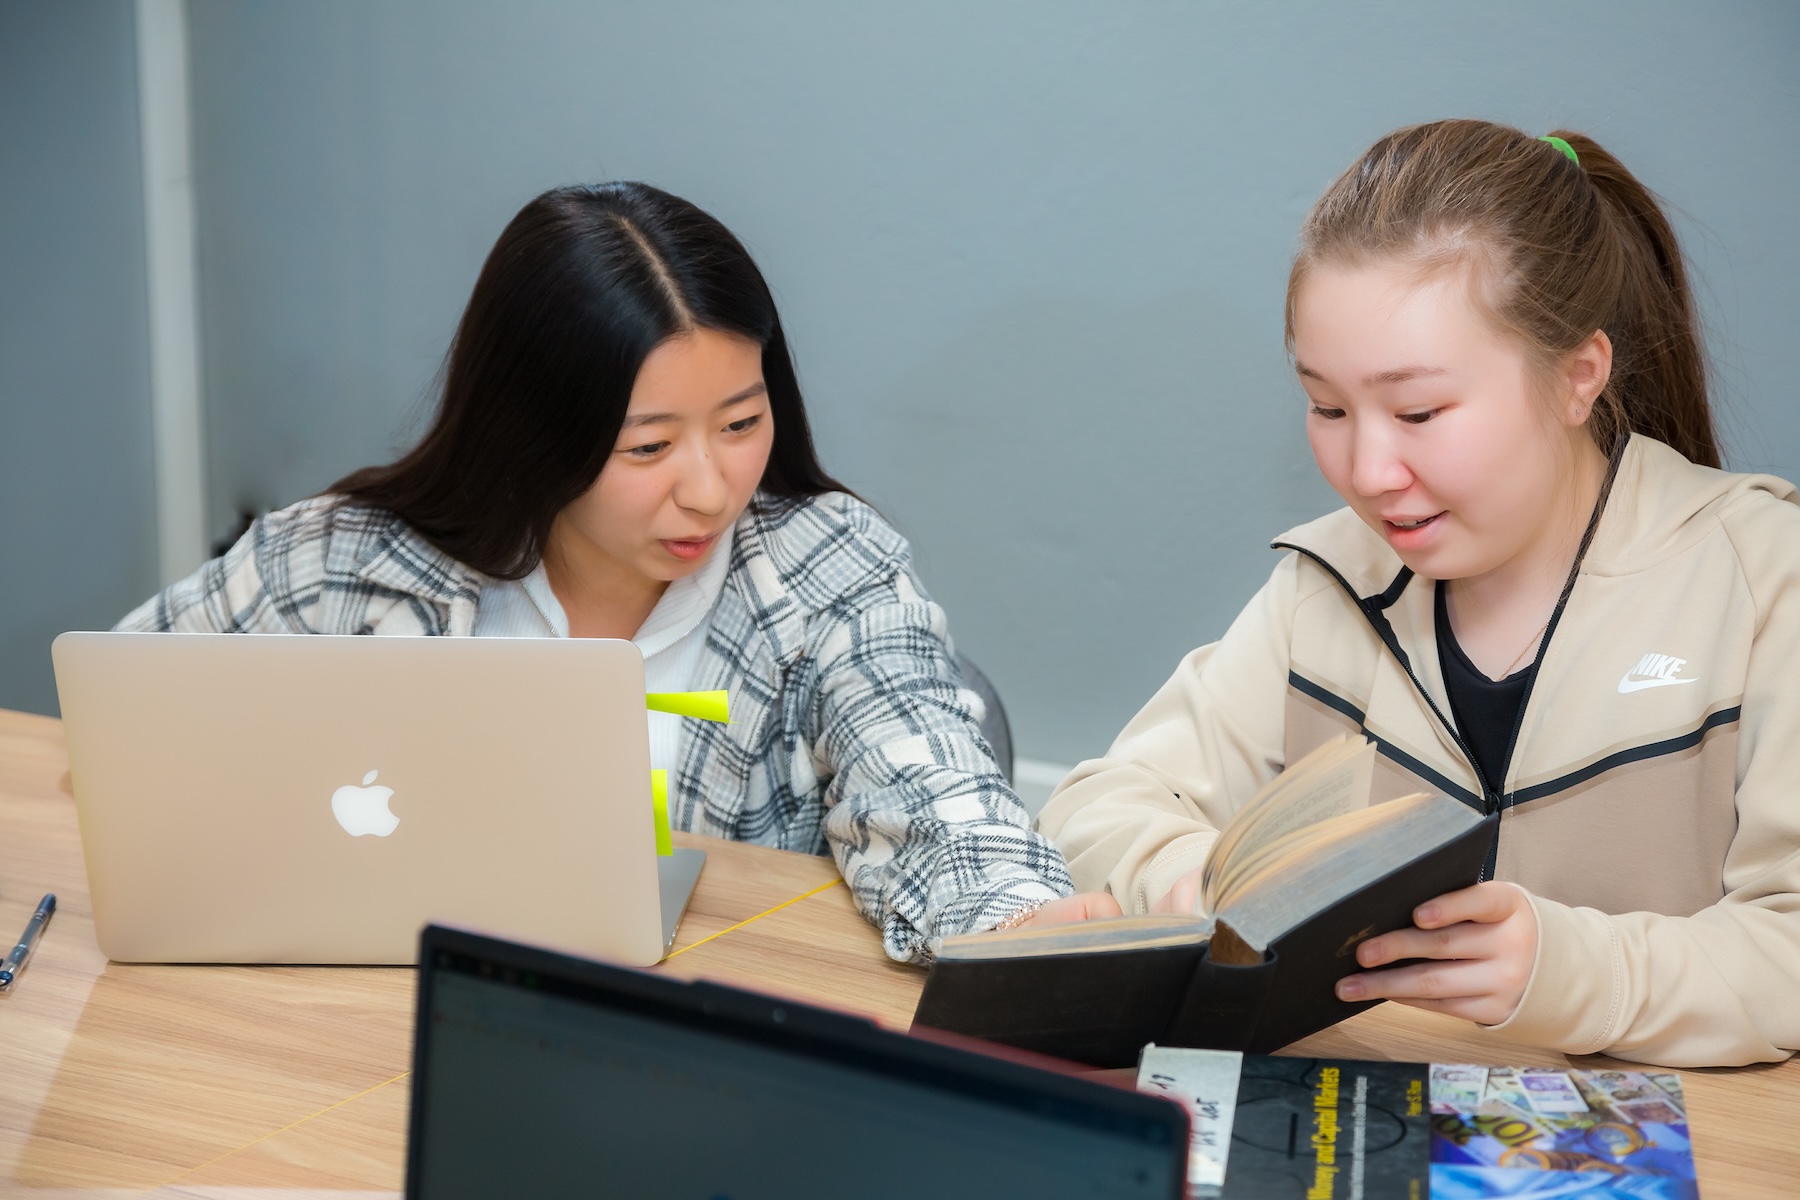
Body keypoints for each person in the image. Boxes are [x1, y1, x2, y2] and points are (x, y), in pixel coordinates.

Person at [117, 181, 1073, 962]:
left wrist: (1020, 922)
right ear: (536, 435)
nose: (710, 490)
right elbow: (122, 712)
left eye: (741, 423)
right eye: (649, 447)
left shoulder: (822, 568)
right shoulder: (350, 560)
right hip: (358, 1038)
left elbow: (933, 785)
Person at [1036, 120, 1800, 1066]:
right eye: (1326, 407)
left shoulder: (1767, 577)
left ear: (1578, 376)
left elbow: (1789, 947)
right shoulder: (1326, 585)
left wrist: (1560, 970)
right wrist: (1186, 882)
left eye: (1419, 412)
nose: (1366, 469)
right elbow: (1099, 804)